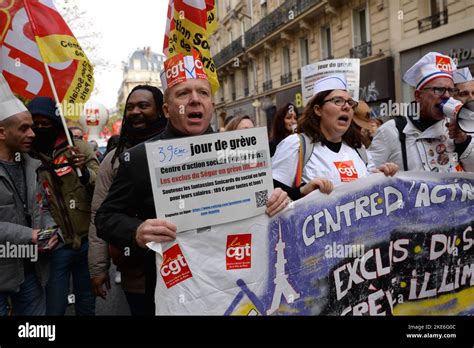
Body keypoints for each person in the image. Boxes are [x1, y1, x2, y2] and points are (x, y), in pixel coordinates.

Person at [95, 50, 289, 315]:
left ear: (211, 105)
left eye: (203, 93)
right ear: (166, 108)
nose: (195, 100)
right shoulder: (139, 159)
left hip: (240, 286)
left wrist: (281, 199)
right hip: (177, 292)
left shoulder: (241, 152)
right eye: (184, 93)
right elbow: (105, 217)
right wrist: (137, 231)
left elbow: (267, 206)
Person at [88, 85, 167, 316]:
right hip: (137, 272)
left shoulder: (184, 149)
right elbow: (99, 216)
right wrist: (98, 268)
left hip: (187, 269)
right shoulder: (113, 160)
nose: (135, 112)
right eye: (130, 107)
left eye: (143, 106)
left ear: (162, 110)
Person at [272, 74, 398, 201]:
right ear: (318, 110)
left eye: (350, 102)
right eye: (337, 101)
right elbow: (271, 197)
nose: (347, 106)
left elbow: (370, 191)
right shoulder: (296, 145)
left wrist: (381, 175)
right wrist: (301, 191)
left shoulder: (359, 149)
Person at [27, 96, 99, 316]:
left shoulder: (79, 149)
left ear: (55, 124)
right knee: (54, 306)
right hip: (55, 247)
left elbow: (101, 188)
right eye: (35, 124)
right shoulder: (28, 158)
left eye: (45, 124)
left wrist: (84, 173)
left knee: (86, 303)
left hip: (86, 241)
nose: (40, 128)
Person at [0, 76, 58, 315]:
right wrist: (30, 235)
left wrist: (50, 232)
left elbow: (43, 207)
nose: (33, 133)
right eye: (24, 128)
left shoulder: (32, 167)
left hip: (30, 272)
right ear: (2, 133)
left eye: (32, 126)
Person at [368, 52, 474, 172]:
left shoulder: (458, 127)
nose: (447, 96)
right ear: (418, 95)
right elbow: (367, 178)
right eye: (439, 89)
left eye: (450, 90)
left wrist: (463, 142)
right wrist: (381, 174)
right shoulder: (391, 131)